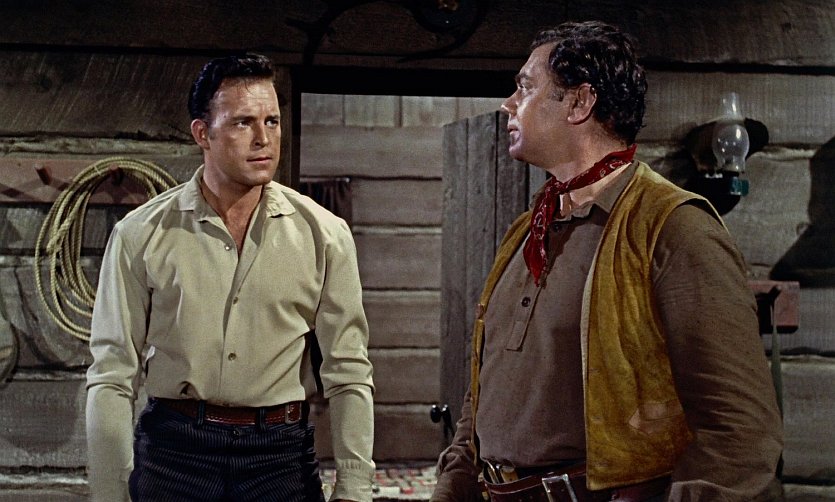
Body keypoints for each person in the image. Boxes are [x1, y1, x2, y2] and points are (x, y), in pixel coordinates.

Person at [431, 21, 783, 502]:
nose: (508, 104)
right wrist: (453, 485)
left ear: (579, 103)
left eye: (525, 88)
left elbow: (738, 428)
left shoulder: (673, 227)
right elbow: (483, 390)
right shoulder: (527, 230)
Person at [85, 53, 375, 502]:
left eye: (272, 121)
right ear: (203, 133)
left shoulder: (324, 235)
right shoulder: (141, 234)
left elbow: (348, 369)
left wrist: (354, 487)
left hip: (279, 458)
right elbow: (111, 372)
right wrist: (109, 492)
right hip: (175, 454)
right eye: (243, 123)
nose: (264, 139)